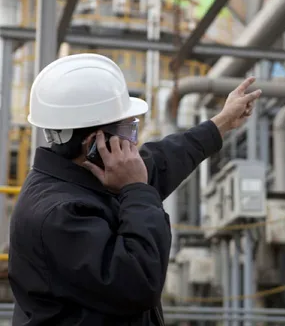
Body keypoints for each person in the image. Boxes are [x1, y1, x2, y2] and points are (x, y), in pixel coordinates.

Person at [8, 53, 261, 326]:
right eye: (128, 129)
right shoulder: (59, 215)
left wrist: (221, 122)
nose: (132, 140)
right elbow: (140, 282)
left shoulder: (86, 177)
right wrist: (137, 189)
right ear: (95, 142)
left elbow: (161, 161)